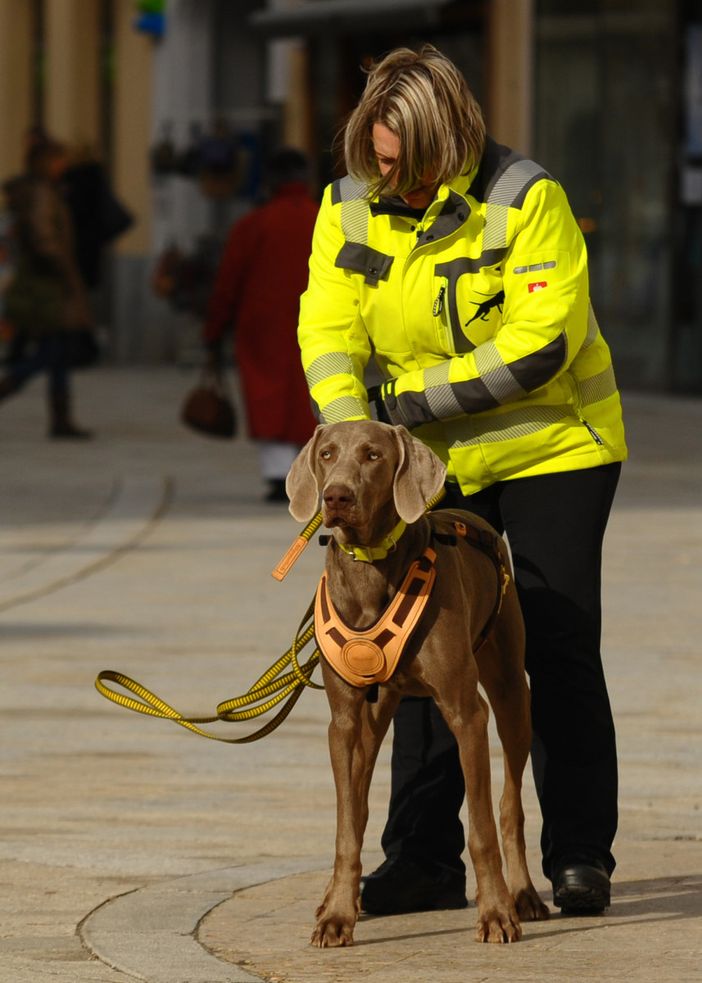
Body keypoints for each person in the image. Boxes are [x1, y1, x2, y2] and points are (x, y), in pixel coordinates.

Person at [297, 45, 627, 916]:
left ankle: (577, 852)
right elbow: (327, 329)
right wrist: (354, 442)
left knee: (553, 639)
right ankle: (423, 855)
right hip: (419, 464)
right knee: (413, 641)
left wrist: (401, 404)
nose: (385, 180)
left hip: (552, 448)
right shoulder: (348, 204)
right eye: (376, 159)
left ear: (448, 141)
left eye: (401, 164)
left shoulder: (525, 199)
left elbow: (540, 343)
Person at [203, 148, 318, 501]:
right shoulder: (325, 219)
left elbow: (228, 282)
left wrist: (214, 329)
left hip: (262, 324)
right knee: (312, 393)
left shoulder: (254, 224)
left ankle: (277, 472)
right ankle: (311, 469)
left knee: (266, 393)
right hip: (318, 319)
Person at [0, 139, 94, 438]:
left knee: (59, 351)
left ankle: (61, 419)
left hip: (48, 280)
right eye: (58, 159)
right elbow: (43, 235)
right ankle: (9, 385)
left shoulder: (46, 190)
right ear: (45, 162)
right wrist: (61, 265)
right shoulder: (42, 192)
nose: (63, 165)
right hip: (47, 284)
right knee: (51, 351)